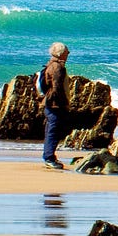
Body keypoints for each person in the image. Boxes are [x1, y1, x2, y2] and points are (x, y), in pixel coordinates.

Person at [38, 42, 70, 170]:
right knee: (53, 131)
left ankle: (49, 156)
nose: (68, 54)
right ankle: (49, 158)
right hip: (55, 104)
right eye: (67, 51)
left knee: (51, 130)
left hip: (50, 102)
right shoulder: (58, 67)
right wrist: (64, 103)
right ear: (61, 53)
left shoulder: (50, 64)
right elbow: (57, 87)